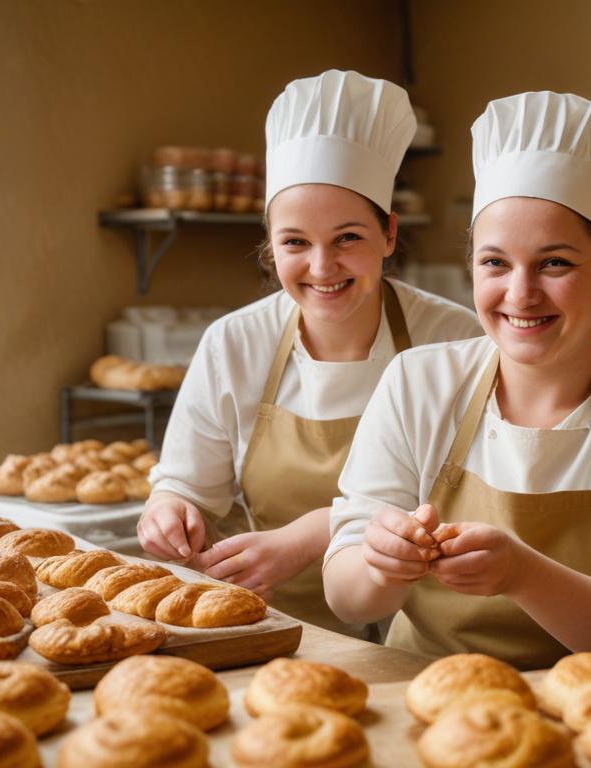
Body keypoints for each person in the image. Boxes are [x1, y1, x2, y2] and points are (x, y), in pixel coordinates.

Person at [322, 91, 591, 669]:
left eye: (554, 263)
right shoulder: (417, 383)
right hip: (420, 697)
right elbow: (345, 596)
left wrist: (523, 574)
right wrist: (380, 565)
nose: (520, 294)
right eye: (495, 263)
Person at [139, 70, 481, 638]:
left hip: (422, 631)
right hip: (271, 628)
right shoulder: (235, 343)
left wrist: (305, 538)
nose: (322, 268)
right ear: (270, 241)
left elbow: (470, 500)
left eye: (348, 238)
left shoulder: (453, 337)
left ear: (389, 235)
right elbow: (187, 485)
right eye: (295, 242)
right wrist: (169, 511)